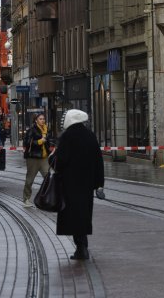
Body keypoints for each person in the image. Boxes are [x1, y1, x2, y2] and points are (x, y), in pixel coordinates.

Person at [54, 109, 104, 260]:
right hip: (87, 184)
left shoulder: (67, 137)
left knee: (73, 215)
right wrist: (98, 184)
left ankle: (81, 248)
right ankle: (83, 246)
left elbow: (60, 162)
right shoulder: (90, 136)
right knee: (83, 214)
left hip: (70, 184)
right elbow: (98, 161)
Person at [23, 113, 53, 207]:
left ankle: (47, 199)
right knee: (30, 180)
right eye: (40, 119)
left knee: (48, 178)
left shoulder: (46, 130)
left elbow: (50, 140)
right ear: (36, 120)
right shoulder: (32, 130)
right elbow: (27, 142)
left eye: (43, 119)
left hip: (44, 158)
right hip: (33, 158)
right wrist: (40, 141)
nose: (42, 120)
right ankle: (26, 199)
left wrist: (51, 145)